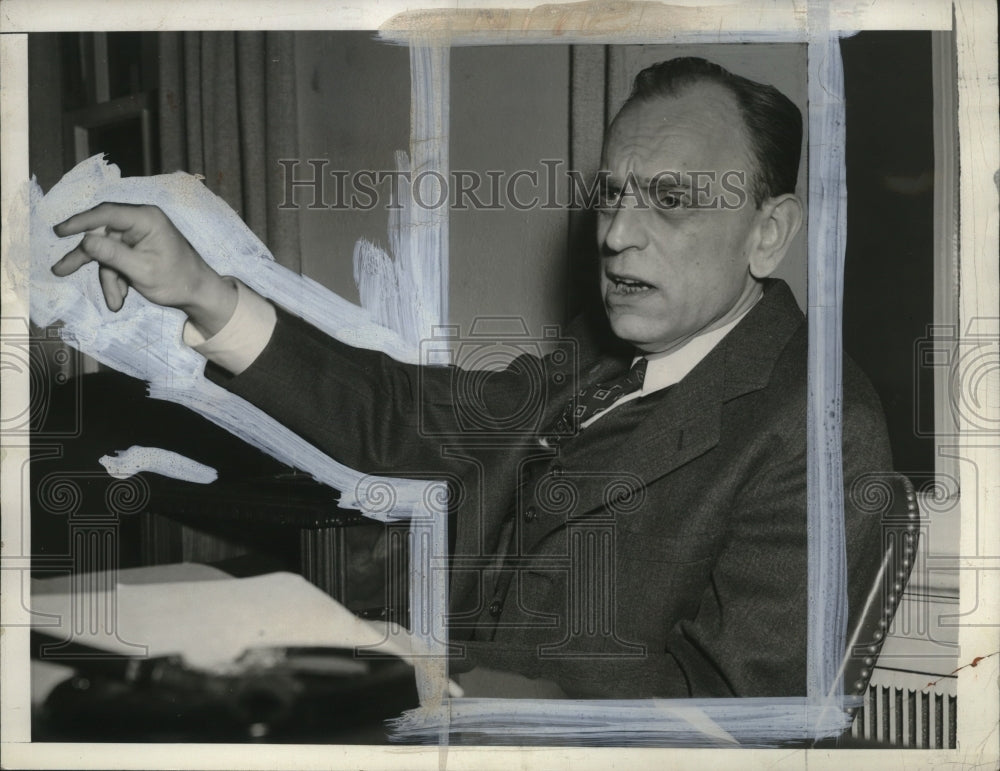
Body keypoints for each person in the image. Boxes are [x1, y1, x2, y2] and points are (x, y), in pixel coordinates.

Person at [51, 57, 893, 699]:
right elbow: (400, 414)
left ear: (769, 232)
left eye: (670, 200)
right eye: (611, 195)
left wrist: (454, 695)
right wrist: (205, 290)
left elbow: (737, 720)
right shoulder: (598, 358)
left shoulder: (815, 427)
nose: (618, 235)